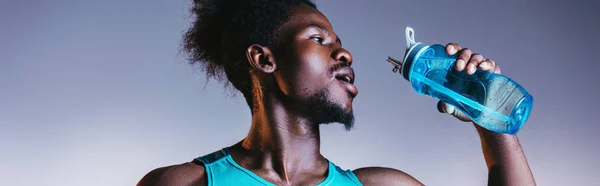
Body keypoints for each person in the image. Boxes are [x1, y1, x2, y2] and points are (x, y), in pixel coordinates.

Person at [137, 0, 536, 185]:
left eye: (339, 42)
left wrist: (492, 119)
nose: (344, 52)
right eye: (318, 39)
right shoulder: (183, 183)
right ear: (264, 59)